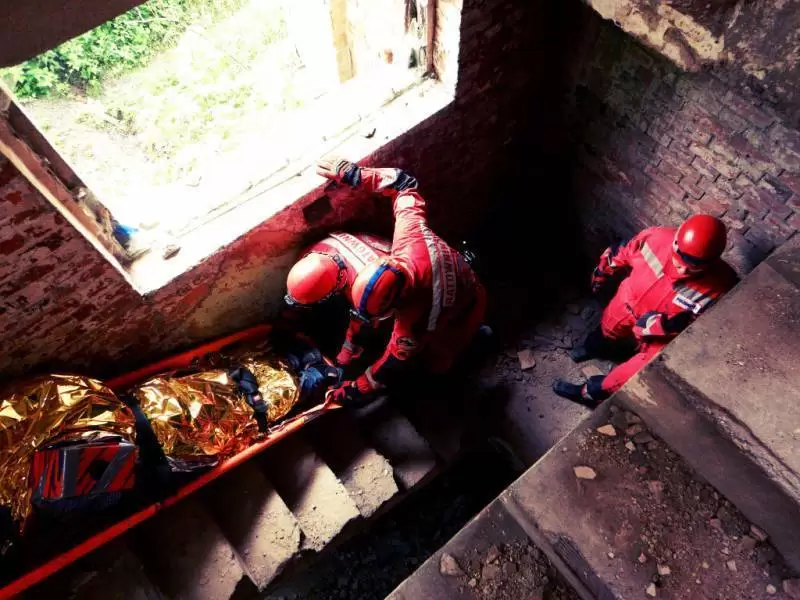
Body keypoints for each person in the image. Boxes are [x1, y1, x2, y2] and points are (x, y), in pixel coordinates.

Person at [315, 156, 487, 407]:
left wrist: (352, 391)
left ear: (398, 303)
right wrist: (354, 174)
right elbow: (404, 184)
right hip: (458, 271)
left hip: (466, 307)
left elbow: (388, 367)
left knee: (438, 362)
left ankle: (477, 343)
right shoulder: (410, 237)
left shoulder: (414, 322)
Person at [553, 214, 738, 408]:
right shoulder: (656, 239)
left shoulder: (721, 286)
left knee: (627, 377)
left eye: (694, 267)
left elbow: (705, 328)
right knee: (607, 328)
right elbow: (621, 251)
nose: (683, 270)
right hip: (628, 302)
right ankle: (592, 348)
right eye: (681, 260)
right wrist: (601, 273)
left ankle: (588, 393)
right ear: (676, 243)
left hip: (660, 333)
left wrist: (664, 327)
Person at [284, 231, 392, 367]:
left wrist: (345, 353)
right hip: (369, 249)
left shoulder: (365, 289)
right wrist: (287, 321)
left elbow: (358, 325)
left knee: (369, 331)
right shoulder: (312, 252)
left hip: (387, 281)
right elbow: (300, 288)